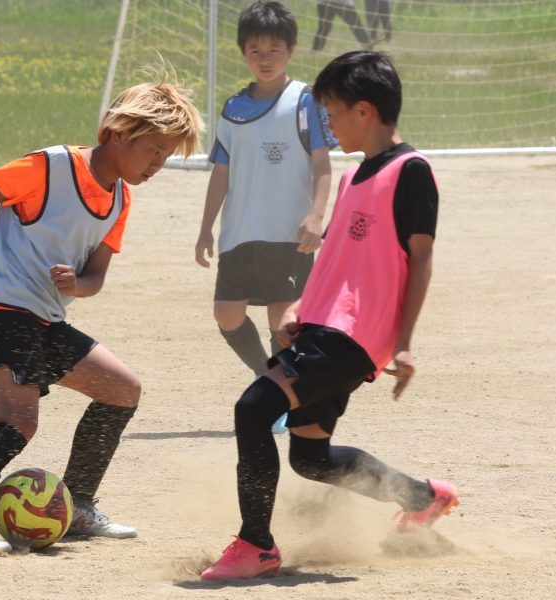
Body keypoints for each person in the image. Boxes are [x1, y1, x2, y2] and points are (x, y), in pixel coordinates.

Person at [0, 79, 203, 556]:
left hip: (43, 320)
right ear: (118, 133)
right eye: (154, 150)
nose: (158, 164)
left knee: (122, 389)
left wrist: (77, 285)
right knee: (18, 422)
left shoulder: (120, 199)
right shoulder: (53, 166)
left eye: (166, 155)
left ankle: (79, 505)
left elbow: (96, 277)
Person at [200, 50, 458, 582]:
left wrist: (404, 342)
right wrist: (300, 308)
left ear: (364, 111)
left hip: (354, 335)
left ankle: (256, 544)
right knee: (311, 458)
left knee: (253, 408)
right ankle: (424, 498)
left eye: (332, 112)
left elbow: (421, 259)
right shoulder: (352, 178)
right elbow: (337, 258)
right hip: (322, 327)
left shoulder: (410, 172)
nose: (328, 124)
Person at [194, 1, 335, 434]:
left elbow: (322, 164)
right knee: (226, 314)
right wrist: (205, 228)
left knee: (282, 320)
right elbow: (221, 172)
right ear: (243, 53)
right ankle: (265, 376)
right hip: (240, 232)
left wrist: (316, 216)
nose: (265, 58)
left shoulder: (305, 100)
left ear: (290, 50)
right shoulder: (234, 108)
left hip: (289, 233)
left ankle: (283, 398)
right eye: (255, 50)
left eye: (274, 49)